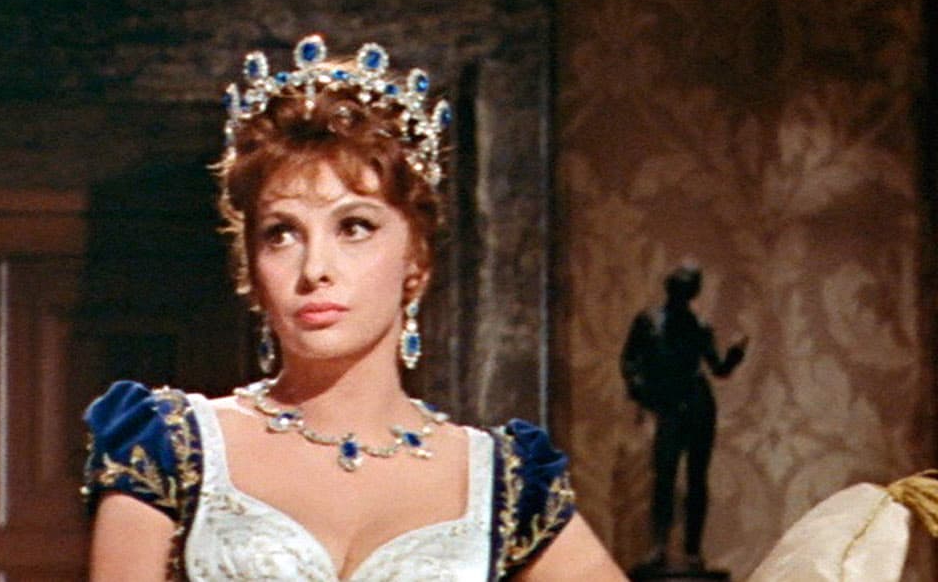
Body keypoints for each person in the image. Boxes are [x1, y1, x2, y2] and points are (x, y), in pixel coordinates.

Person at [81, 36, 624, 580]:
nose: (315, 268)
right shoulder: (169, 446)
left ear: (416, 259)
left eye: (355, 227)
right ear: (251, 269)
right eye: (281, 234)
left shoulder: (503, 480)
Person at [621, 263, 746, 572]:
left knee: (696, 478)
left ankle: (692, 550)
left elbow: (717, 369)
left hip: (698, 404)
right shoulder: (649, 321)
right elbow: (629, 359)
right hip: (669, 404)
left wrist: (734, 356)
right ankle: (659, 546)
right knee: (664, 476)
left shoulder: (698, 327)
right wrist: (640, 389)